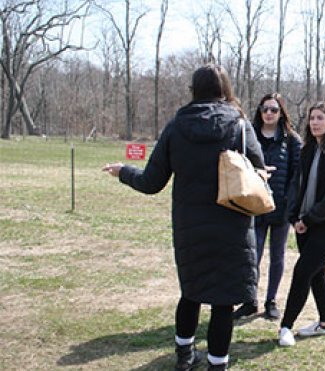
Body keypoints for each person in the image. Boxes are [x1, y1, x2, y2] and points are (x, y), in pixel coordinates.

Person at [102, 64, 264, 371]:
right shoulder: (240, 125)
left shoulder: (176, 126)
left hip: (191, 228)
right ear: (225, 89)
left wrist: (124, 171)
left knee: (191, 292)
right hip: (232, 225)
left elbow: (152, 182)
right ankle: (218, 364)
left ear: (194, 89)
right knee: (223, 301)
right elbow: (258, 167)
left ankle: (184, 357)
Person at [277, 102, 325, 347]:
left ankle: (286, 326)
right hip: (304, 226)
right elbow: (295, 185)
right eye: (312, 118)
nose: (315, 122)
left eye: (320, 118)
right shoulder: (307, 150)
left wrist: (308, 219)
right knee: (316, 273)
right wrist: (295, 217)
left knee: (303, 271)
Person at [233, 93, 302, 320]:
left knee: (277, 255)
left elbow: (297, 175)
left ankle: (271, 301)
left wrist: (291, 204)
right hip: (254, 205)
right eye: (265, 109)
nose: (269, 113)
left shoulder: (291, 140)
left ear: (281, 112)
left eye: (274, 109)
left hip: (281, 208)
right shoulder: (248, 135)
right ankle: (249, 300)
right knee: (253, 255)